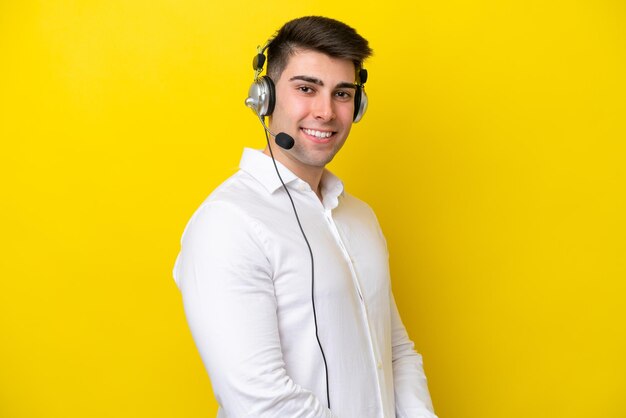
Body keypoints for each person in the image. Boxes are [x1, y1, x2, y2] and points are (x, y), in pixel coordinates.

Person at [173, 16, 438, 418]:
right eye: (306, 89)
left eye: (343, 94)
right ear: (264, 97)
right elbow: (260, 402)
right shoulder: (227, 225)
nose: (326, 111)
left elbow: (395, 351)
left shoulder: (360, 217)